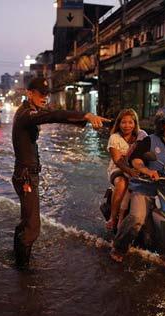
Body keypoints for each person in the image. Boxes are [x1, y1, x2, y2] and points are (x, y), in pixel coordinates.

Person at [12, 77, 109, 268]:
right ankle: (22, 269)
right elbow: (53, 116)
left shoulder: (32, 111)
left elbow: (56, 114)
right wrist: (86, 115)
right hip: (26, 176)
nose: (44, 98)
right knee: (32, 227)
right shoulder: (26, 114)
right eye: (41, 94)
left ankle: (18, 258)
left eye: (46, 95)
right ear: (29, 93)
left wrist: (85, 119)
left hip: (28, 174)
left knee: (27, 221)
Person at [111, 106, 165, 262]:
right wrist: (146, 170)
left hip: (164, 191)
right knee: (137, 218)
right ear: (161, 125)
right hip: (144, 188)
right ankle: (118, 247)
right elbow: (136, 161)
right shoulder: (148, 141)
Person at [105, 109, 146, 233]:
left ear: (135, 124)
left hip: (136, 168)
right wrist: (130, 171)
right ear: (119, 123)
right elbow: (117, 161)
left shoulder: (142, 135)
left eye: (130, 122)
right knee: (122, 183)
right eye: (123, 122)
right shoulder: (115, 138)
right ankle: (113, 218)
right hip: (117, 169)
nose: (127, 126)